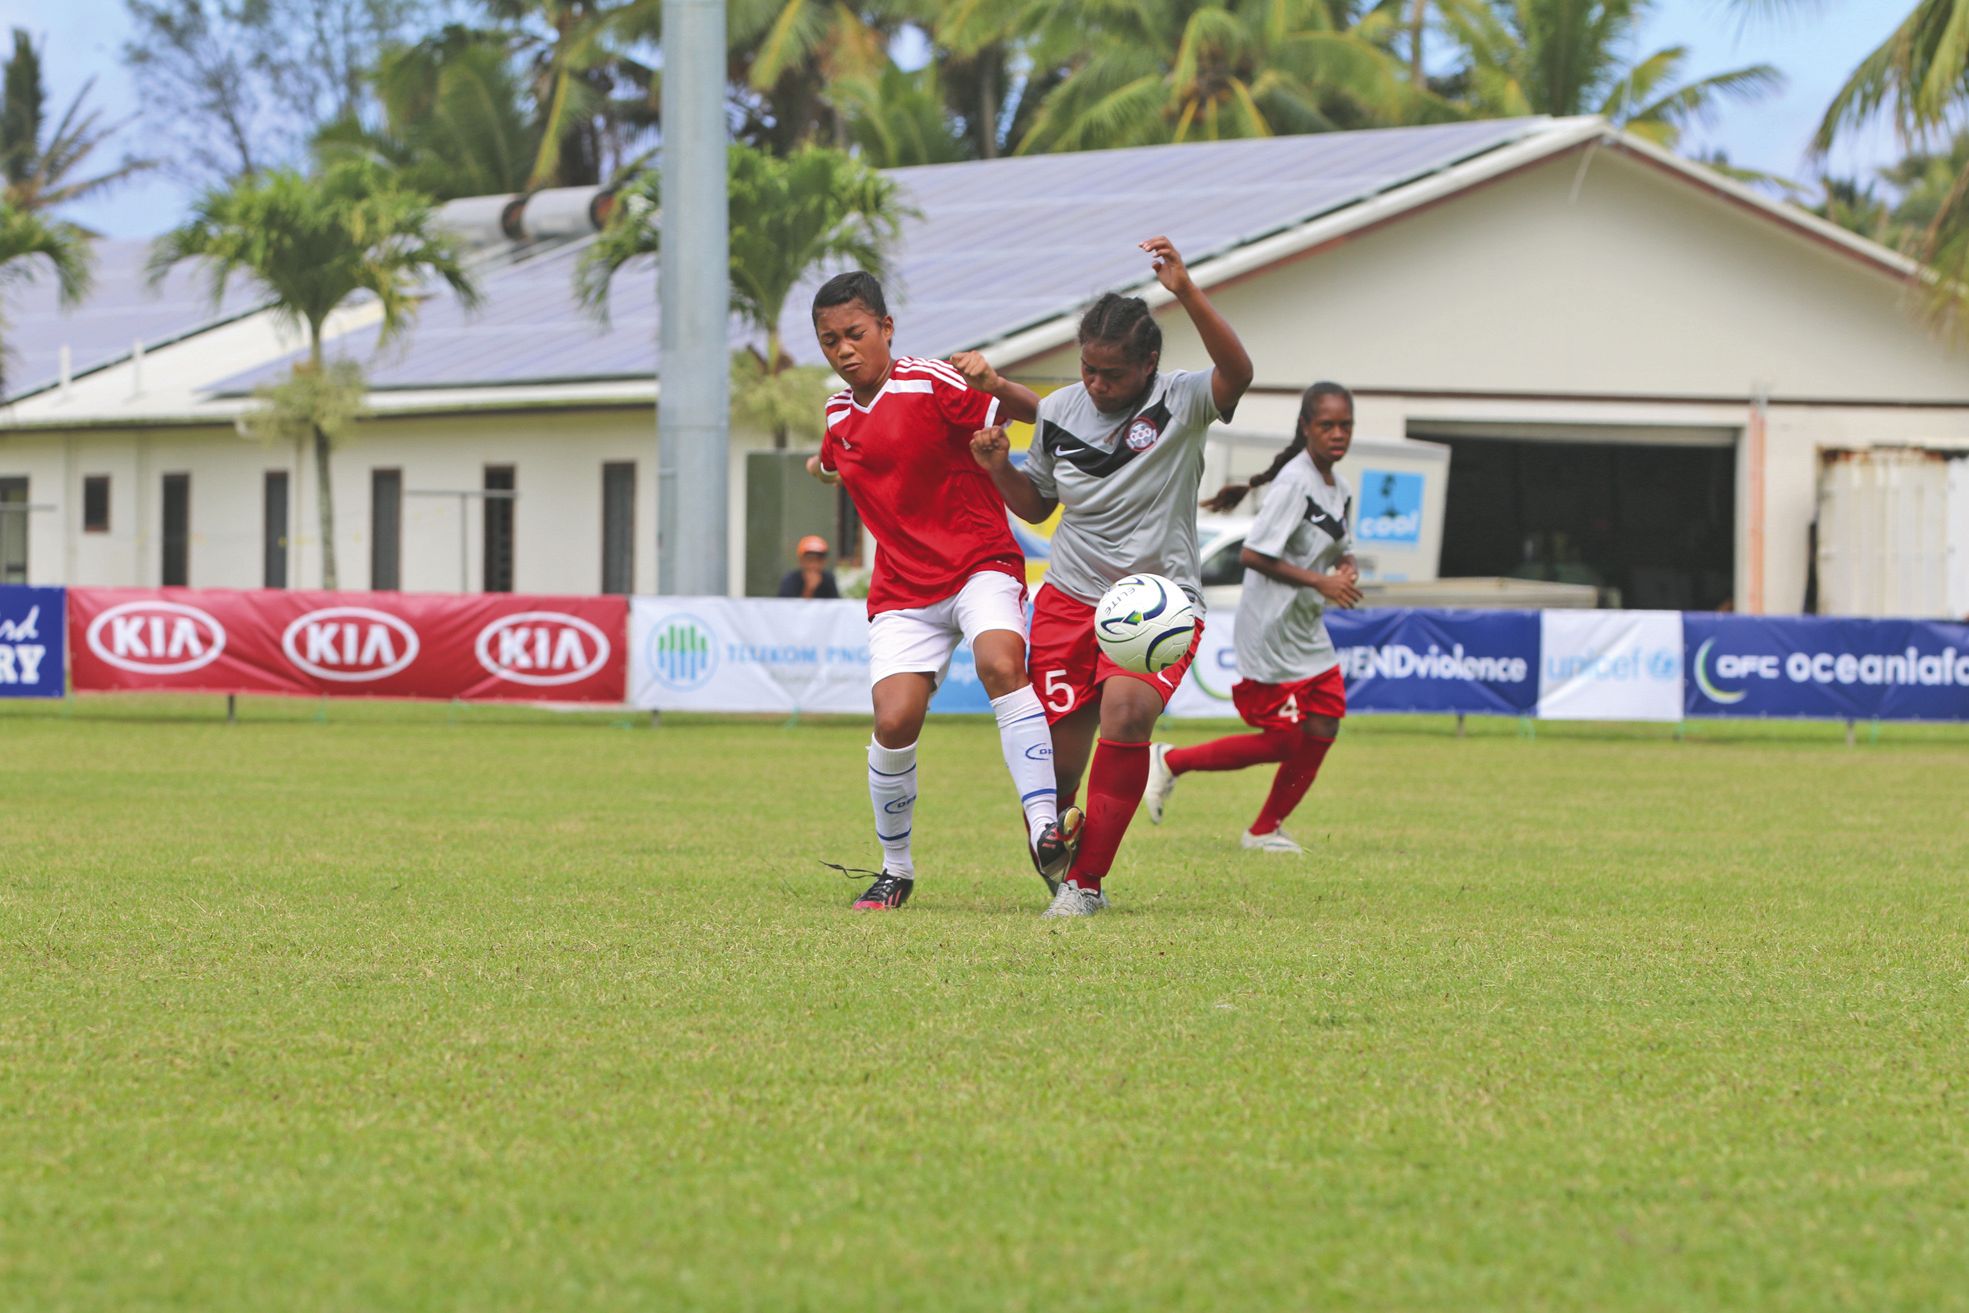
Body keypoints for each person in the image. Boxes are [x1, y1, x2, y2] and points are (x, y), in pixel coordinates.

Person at [971, 237, 1253, 918]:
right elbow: (1039, 504)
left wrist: (1185, 290)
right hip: (1069, 598)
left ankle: (1088, 885)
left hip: (1159, 601)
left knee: (1128, 713)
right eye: (1088, 370)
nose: (1096, 385)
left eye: (1112, 374)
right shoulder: (1060, 410)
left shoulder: (1182, 402)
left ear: (1148, 364)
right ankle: (1062, 866)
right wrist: (999, 468)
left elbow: (1237, 371)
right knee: (1054, 773)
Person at [805, 270, 1081, 911]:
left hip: (979, 563)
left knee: (999, 664)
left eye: (855, 334)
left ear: (886, 329)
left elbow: (1022, 412)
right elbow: (833, 455)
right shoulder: (837, 412)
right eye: (829, 341)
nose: (844, 350)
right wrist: (819, 464)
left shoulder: (931, 382)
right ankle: (895, 869)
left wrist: (994, 423)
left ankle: (1045, 830)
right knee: (893, 720)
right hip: (902, 589)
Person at [1141, 382, 1361, 852]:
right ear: (1306, 428)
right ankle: (1169, 760)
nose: (1337, 434)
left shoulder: (1339, 488)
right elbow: (1254, 556)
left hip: (1306, 631)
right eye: (1327, 425)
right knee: (1285, 740)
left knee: (1324, 726)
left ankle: (1265, 829)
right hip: (1271, 633)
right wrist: (1322, 583)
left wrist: (1346, 569)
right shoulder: (1294, 484)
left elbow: (1343, 550)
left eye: (1345, 425)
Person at [777, 534, 841, 599]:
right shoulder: (790, 580)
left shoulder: (828, 579)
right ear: (801, 561)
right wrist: (809, 589)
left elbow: (836, 605)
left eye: (818, 560)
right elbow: (785, 606)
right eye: (810, 560)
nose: (814, 565)